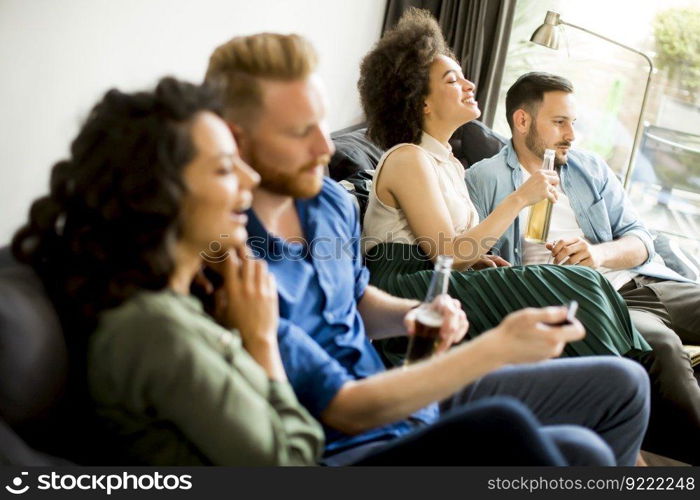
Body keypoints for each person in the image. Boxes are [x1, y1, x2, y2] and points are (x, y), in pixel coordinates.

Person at [205, 30, 650, 466]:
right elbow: (444, 254)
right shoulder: (232, 252)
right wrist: (496, 345)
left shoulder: (332, 203)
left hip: (391, 383)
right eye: (299, 130)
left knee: (605, 417)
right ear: (236, 137)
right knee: (509, 417)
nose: (325, 147)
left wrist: (407, 315)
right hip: (355, 424)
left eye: (320, 125)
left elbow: (356, 297)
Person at [11, 78, 324, 465]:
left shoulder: (181, 304)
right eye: (225, 169)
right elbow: (291, 465)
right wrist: (260, 340)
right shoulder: (154, 329)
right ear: (160, 192)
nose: (252, 178)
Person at [357, 8, 649, 369]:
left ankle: (620, 371)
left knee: (585, 282)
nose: (469, 86)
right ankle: (619, 373)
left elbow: (455, 248)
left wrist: (479, 258)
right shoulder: (407, 159)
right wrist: (520, 198)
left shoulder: (447, 163)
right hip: (407, 290)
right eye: (452, 81)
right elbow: (447, 253)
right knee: (578, 284)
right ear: (422, 102)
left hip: (436, 277)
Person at [466, 71, 700, 464]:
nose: (571, 135)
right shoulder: (484, 179)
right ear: (522, 121)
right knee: (662, 348)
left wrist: (598, 254)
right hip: (603, 306)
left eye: (573, 122)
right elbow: (477, 261)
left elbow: (640, 237)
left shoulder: (589, 167)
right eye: (559, 122)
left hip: (645, 281)